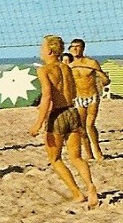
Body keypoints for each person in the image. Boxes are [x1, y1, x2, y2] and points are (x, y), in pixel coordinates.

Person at [29, 35, 98, 207]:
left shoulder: (44, 70)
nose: (40, 50)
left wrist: (38, 123)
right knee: (76, 157)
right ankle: (90, 186)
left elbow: (47, 98)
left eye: (42, 47)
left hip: (58, 115)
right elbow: (73, 93)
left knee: (56, 159)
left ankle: (77, 193)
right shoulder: (67, 68)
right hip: (72, 111)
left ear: (50, 51)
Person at [68, 38, 110, 161]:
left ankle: (97, 150)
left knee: (90, 125)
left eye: (78, 46)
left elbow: (105, 80)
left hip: (92, 96)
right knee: (81, 128)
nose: (75, 49)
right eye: (73, 46)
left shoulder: (91, 63)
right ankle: (88, 153)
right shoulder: (69, 66)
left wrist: (103, 80)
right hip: (78, 98)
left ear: (83, 48)